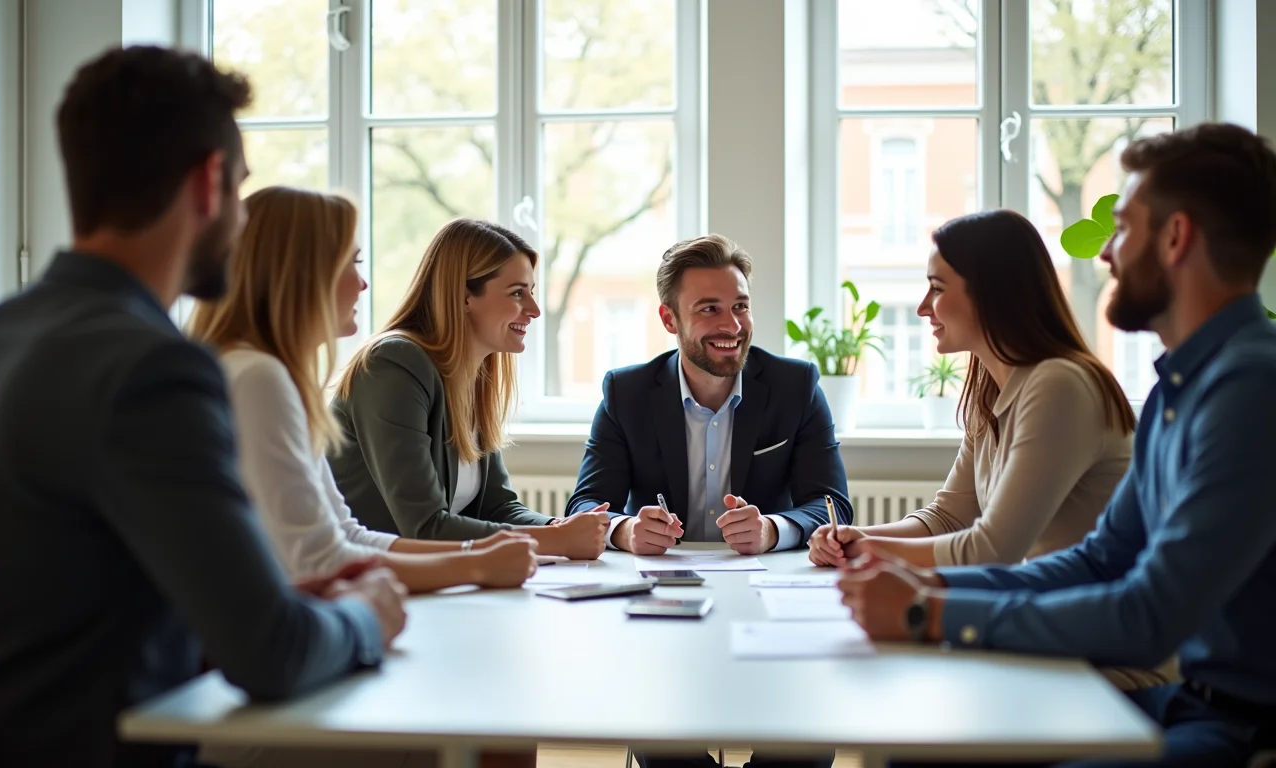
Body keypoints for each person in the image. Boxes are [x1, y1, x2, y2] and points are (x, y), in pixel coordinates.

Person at [0, 47, 405, 768]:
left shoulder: (13, 331)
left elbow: (66, 588)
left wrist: (270, 597)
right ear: (209, 182)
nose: (244, 221)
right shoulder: (155, 370)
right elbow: (270, 655)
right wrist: (366, 618)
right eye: (244, 191)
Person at [839, 122, 1276, 768]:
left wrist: (932, 614)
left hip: (1239, 725)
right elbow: (1101, 560)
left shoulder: (1251, 390)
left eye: (1123, 228)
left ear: (1176, 238)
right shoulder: (1177, 390)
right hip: (1189, 700)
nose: (1105, 254)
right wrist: (924, 589)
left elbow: (1149, 613)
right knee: (924, 746)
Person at [565, 234, 850, 768]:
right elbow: (584, 505)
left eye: (740, 306)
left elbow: (832, 504)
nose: (732, 325)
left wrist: (772, 528)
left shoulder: (796, 385)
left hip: (770, 600)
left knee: (807, 739)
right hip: (667, 606)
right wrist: (625, 531)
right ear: (669, 320)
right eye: (709, 309)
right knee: (663, 738)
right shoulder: (626, 393)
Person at [188, 186, 539, 593]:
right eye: (350, 264)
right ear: (300, 274)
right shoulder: (257, 377)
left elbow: (348, 537)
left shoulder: (275, 378)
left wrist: (477, 556)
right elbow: (320, 560)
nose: (363, 284)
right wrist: (475, 567)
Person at [809, 209, 1134, 570]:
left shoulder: (1060, 385)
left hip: (1091, 614)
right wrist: (858, 537)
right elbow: (949, 517)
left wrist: (872, 553)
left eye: (937, 287)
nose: (922, 307)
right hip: (1046, 603)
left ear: (990, 294)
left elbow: (993, 550)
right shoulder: (992, 392)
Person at [330, 218, 609, 559]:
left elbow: (498, 508)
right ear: (464, 297)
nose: (534, 310)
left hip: (429, 581)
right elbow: (424, 527)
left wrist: (562, 528)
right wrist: (555, 541)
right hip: (369, 579)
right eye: (517, 293)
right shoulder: (393, 364)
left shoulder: (472, 376)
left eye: (531, 293)